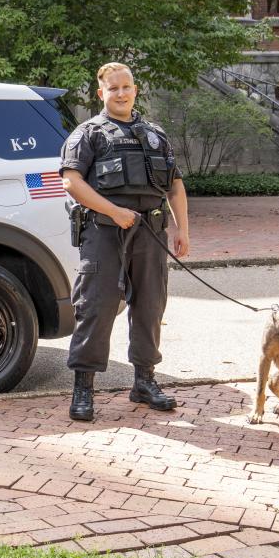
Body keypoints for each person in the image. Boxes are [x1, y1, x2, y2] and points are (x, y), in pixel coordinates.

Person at [60, 62, 190, 423]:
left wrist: (182, 230)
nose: (121, 93)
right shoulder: (89, 133)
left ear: (135, 89)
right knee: (96, 307)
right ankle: (83, 388)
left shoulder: (155, 135)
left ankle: (144, 382)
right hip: (104, 232)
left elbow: (175, 185)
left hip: (150, 233)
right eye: (113, 88)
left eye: (126, 87)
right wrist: (113, 211)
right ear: (101, 93)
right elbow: (71, 182)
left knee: (150, 306)